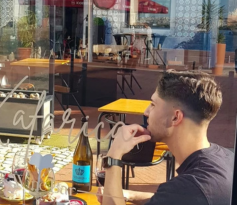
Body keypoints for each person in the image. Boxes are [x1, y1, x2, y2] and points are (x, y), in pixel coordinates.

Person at [98, 70, 233, 205]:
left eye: (153, 104)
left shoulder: (191, 186)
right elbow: (176, 199)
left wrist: (114, 155)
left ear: (175, 117)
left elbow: (183, 194)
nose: (146, 112)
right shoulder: (227, 158)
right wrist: (129, 194)